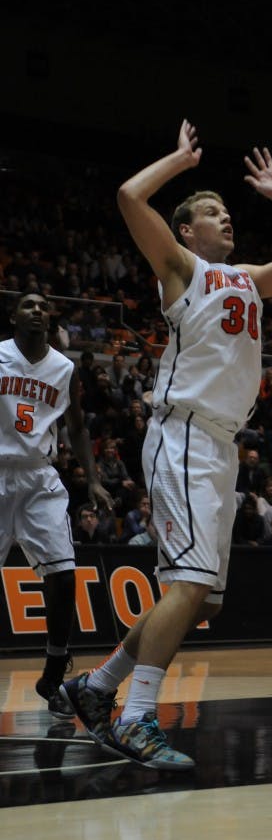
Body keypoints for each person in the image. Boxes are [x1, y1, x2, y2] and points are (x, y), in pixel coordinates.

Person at [60, 121, 272, 770]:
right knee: (186, 587)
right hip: (183, 435)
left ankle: (96, 690)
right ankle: (135, 719)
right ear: (186, 231)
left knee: (200, 597)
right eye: (212, 213)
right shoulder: (181, 269)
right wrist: (180, 164)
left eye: (227, 210)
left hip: (219, 447)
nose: (225, 218)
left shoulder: (246, 276)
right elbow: (130, 196)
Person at [0, 291, 113, 715]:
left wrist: (95, 480)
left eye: (43, 306)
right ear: (14, 316)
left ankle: (53, 667)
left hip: (39, 477)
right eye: (28, 304)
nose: (37, 310)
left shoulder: (64, 369)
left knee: (65, 577)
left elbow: (79, 428)